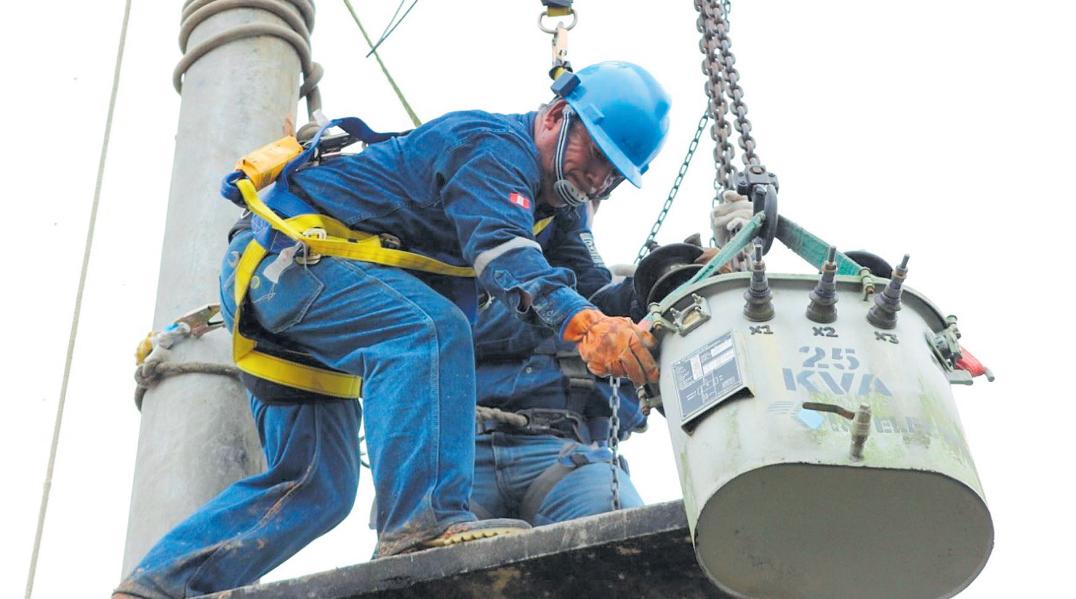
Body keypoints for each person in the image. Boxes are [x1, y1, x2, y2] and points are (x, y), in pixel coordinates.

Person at [114, 61, 670, 598]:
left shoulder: (559, 211)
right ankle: (422, 527)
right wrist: (587, 326)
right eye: (595, 153)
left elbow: (592, 293)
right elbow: (504, 253)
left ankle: (158, 587)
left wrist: (660, 292)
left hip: (301, 299)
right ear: (554, 116)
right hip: (288, 267)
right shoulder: (492, 147)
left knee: (315, 486)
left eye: (613, 175)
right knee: (430, 332)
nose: (598, 179)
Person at [470, 199, 650, 525]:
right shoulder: (458, 291)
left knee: (616, 524)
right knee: (415, 544)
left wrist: (670, 289)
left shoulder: (619, 307)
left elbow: (647, 400)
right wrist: (573, 311)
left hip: (567, 458)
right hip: (461, 457)